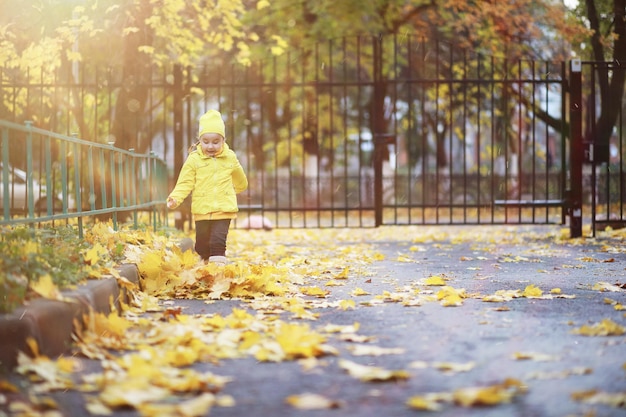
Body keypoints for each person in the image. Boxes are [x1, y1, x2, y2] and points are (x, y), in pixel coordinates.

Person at [166, 109, 248, 265]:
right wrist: (175, 198)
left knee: (218, 241)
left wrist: (237, 188)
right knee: (202, 245)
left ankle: (217, 272)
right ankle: (204, 263)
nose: (210, 146)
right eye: (206, 141)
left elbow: (239, 176)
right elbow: (185, 181)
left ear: (223, 140)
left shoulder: (229, 157)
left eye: (216, 142)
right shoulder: (194, 159)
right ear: (199, 140)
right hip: (202, 209)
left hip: (224, 208)